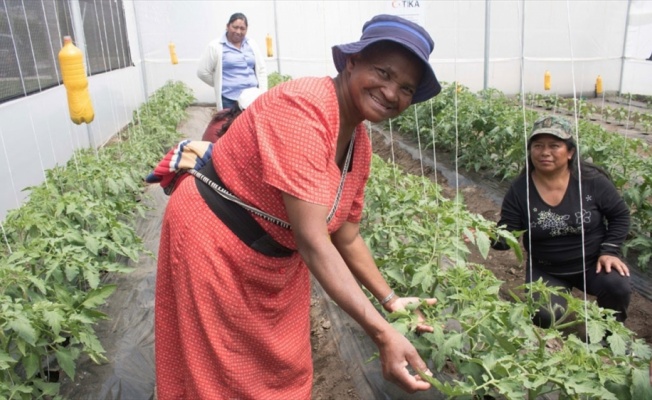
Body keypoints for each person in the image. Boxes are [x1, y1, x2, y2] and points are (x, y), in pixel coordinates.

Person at [154, 14, 442, 399]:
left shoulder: (359, 142)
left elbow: (344, 232)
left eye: (405, 88)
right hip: (215, 241)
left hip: (273, 256)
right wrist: (382, 334)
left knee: (283, 366)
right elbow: (313, 241)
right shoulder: (303, 110)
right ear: (352, 63)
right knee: (222, 374)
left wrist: (390, 301)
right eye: (384, 73)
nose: (392, 93)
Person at [492, 115, 632, 329]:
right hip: (547, 270)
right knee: (544, 314)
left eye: (554, 145)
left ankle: (610, 335)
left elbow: (620, 215)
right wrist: (485, 234)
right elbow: (506, 235)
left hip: (592, 263)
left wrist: (610, 250)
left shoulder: (591, 182)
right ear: (530, 151)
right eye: (538, 145)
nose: (545, 152)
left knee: (617, 285)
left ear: (570, 152)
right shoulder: (521, 190)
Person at [197, 12, 267, 110]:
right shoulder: (216, 46)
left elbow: (261, 69)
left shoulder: (251, 44)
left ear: (247, 29)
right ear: (227, 26)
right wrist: (221, 83)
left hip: (253, 97)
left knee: (252, 125)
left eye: (242, 28)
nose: (238, 31)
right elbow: (202, 72)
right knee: (231, 125)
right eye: (235, 27)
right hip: (230, 99)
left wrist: (263, 93)